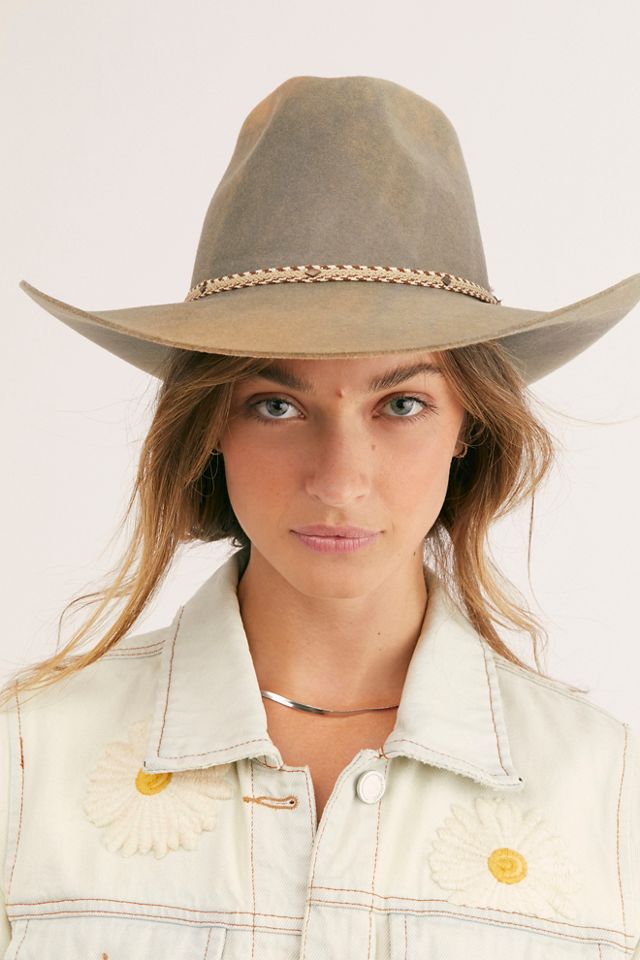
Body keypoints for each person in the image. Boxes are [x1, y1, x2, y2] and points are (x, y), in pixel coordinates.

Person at [3, 75, 640, 958]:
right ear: (210, 426)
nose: (339, 481)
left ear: (469, 426)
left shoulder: (608, 795)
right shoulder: (27, 763)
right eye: (277, 405)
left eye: (401, 404)